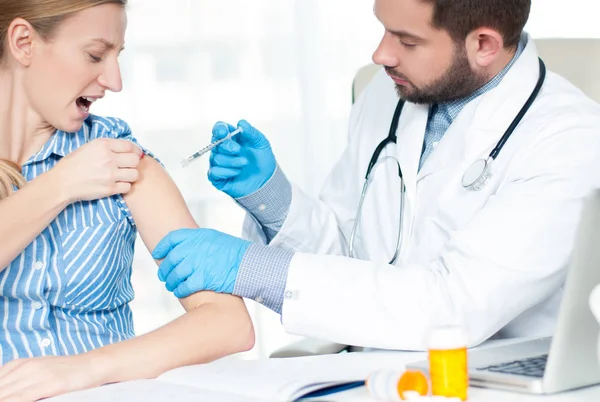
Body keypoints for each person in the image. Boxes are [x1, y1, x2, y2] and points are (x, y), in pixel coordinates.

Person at [154, 0, 600, 351]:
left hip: (490, 383)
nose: (380, 54)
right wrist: (271, 198)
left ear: (483, 44)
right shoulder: (387, 95)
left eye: (406, 40)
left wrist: (255, 270)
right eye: (383, 27)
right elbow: (350, 259)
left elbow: (453, 308)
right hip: (379, 370)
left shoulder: (569, 140)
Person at [0, 1, 254, 401]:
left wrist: (82, 369)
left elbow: (228, 324)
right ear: (23, 42)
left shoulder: (116, 157)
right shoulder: (88, 168)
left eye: (117, 57)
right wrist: (61, 184)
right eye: (95, 55)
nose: (115, 81)